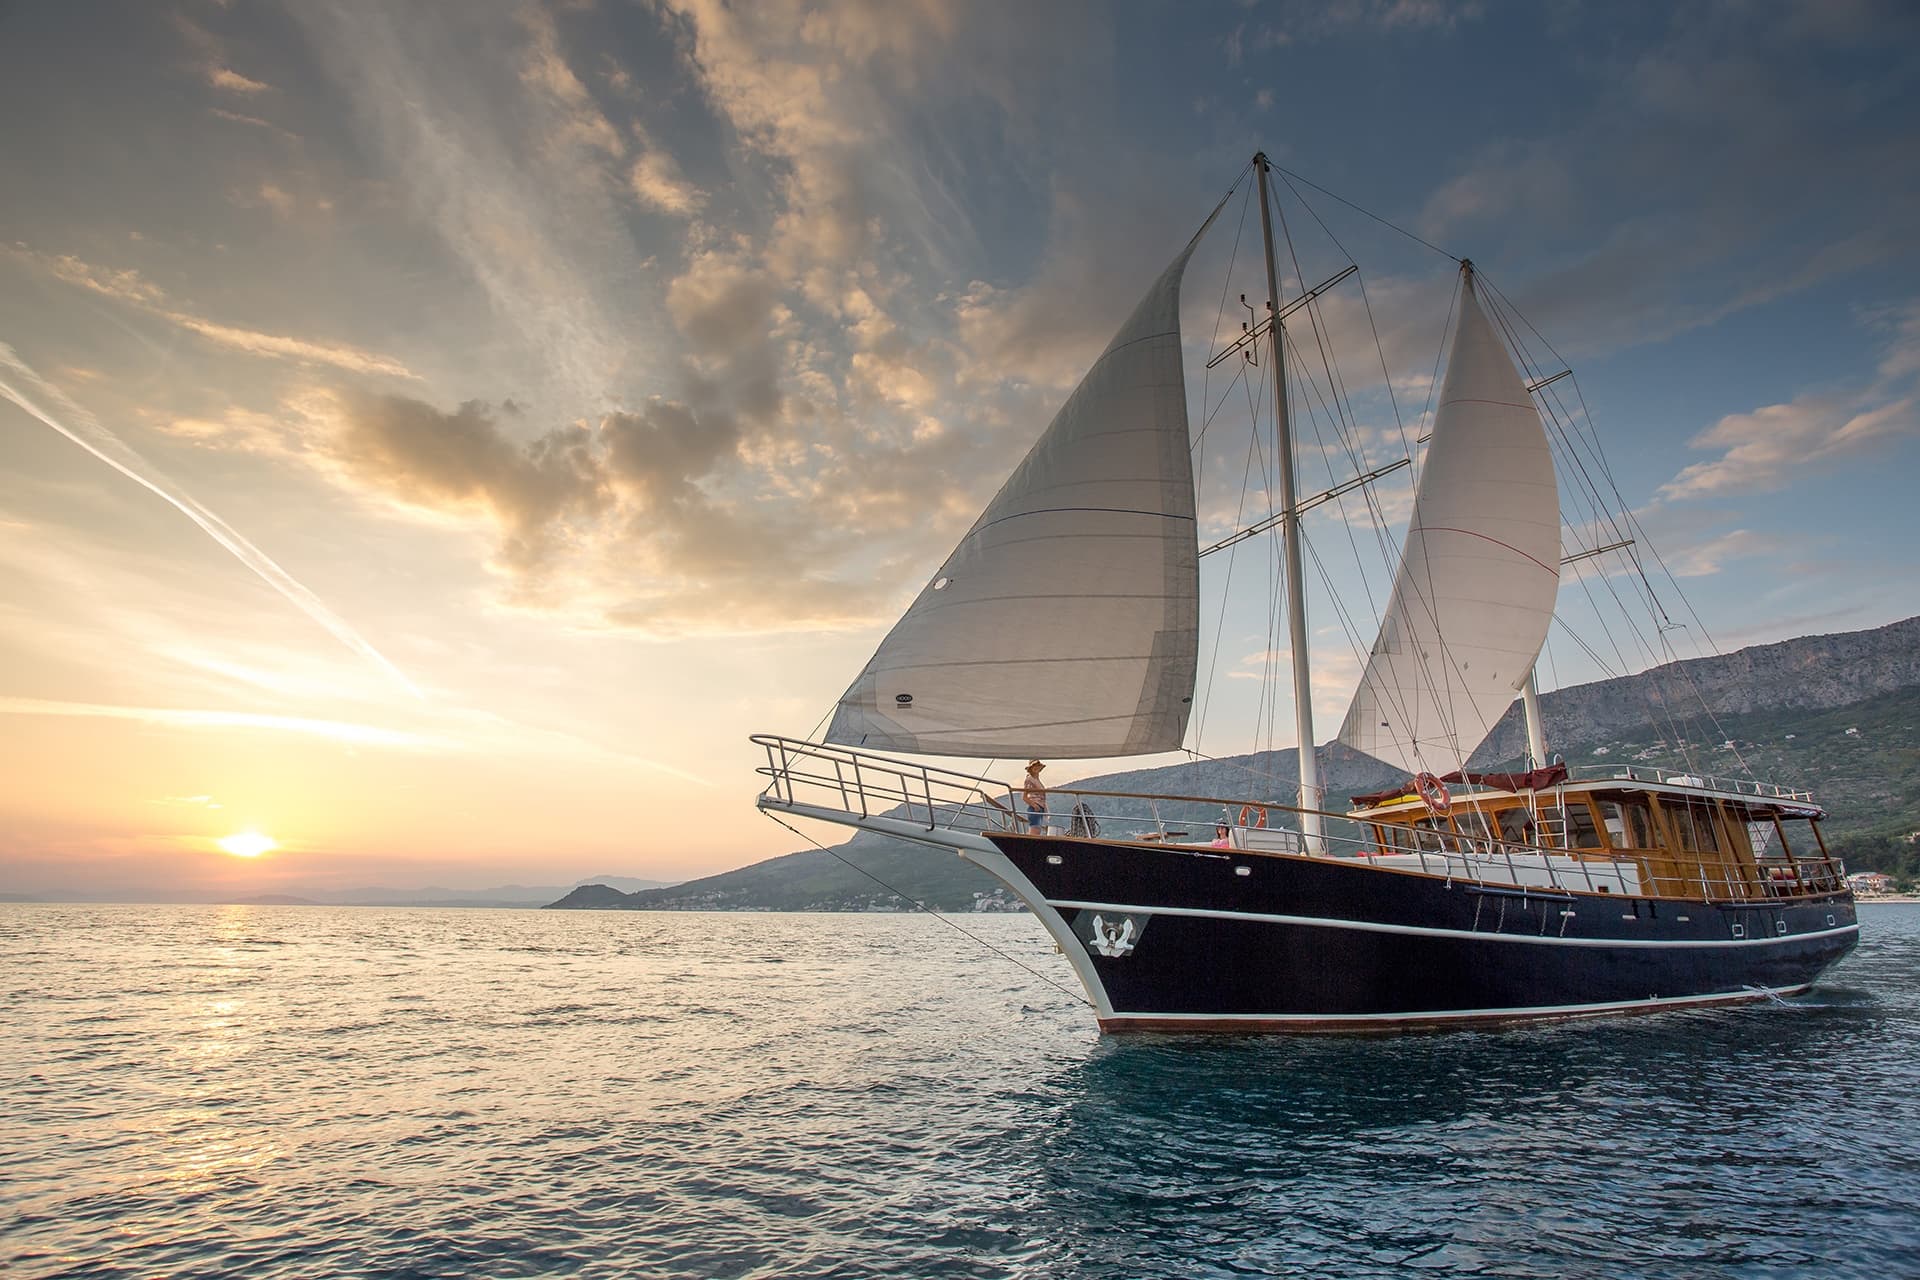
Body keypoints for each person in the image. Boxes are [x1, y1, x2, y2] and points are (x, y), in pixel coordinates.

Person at [1021, 760, 1048, 833]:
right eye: (1034, 766)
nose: (1036, 767)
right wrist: (1034, 805)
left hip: (1040, 808)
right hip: (1035, 808)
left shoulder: (1037, 780)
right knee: (1035, 830)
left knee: (1037, 830)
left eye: (1037, 766)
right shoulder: (1029, 779)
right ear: (1031, 768)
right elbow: (1024, 797)